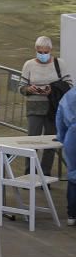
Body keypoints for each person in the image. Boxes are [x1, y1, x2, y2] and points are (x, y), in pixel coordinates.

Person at [22, 36, 70, 174]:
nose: (43, 55)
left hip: (53, 108)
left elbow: (69, 85)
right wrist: (28, 89)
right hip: (34, 108)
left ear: (50, 50)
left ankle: (45, 174)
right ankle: (29, 173)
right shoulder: (28, 65)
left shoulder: (59, 64)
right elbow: (21, 86)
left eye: (45, 52)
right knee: (32, 141)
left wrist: (52, 89)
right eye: (40, 52)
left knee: (50, 143)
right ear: (35, 50)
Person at [55, 86, 76, 225]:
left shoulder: (69, 95)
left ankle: (72, 215)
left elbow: (59, 117)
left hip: (72, 137)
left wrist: (62, 137)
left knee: (73, 175)